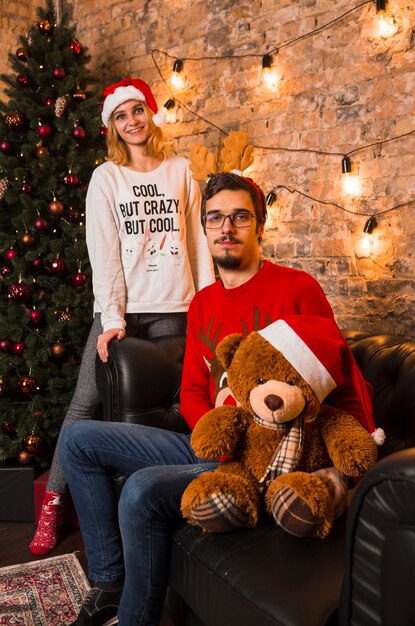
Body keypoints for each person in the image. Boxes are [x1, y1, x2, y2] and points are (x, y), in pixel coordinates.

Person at [59, 172, 376, 626]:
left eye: (240, 216)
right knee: (77, 441)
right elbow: (191, 390)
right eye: (215, 218)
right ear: (205, 228)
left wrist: (349, 466)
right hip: (214, 443)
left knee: (141, 492)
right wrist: (212, 432)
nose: (226, 227)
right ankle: (109, 584)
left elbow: (341, 379)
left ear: (260, 225)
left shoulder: (296, 288)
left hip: (268, 459)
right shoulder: (203, 303)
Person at [29, 77, 215, 556]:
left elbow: (197, 244)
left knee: (160, 420)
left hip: (176, 309)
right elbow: (104, 253)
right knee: (84, 402)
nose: (131, 121)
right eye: (120, 115)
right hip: (123, 314)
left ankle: (154, 512)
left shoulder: (179, 171)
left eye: (137, 111)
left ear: (149, 114)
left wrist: (209, 305)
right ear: (112, 126)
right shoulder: (106, 178)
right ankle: (53, 501)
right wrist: (112, 317)